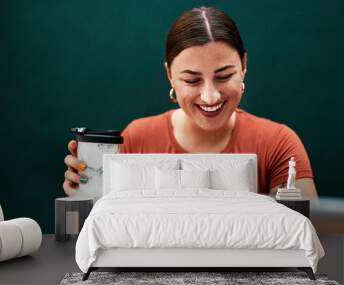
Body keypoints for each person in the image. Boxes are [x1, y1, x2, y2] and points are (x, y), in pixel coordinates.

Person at [63, 6, 319, 199]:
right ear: (170, 76)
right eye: (192, 80)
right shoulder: (137, 138)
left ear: (243, 66)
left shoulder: (279, 144)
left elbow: (310, 235)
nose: (210, 97)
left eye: (224, 76)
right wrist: (86, 196)